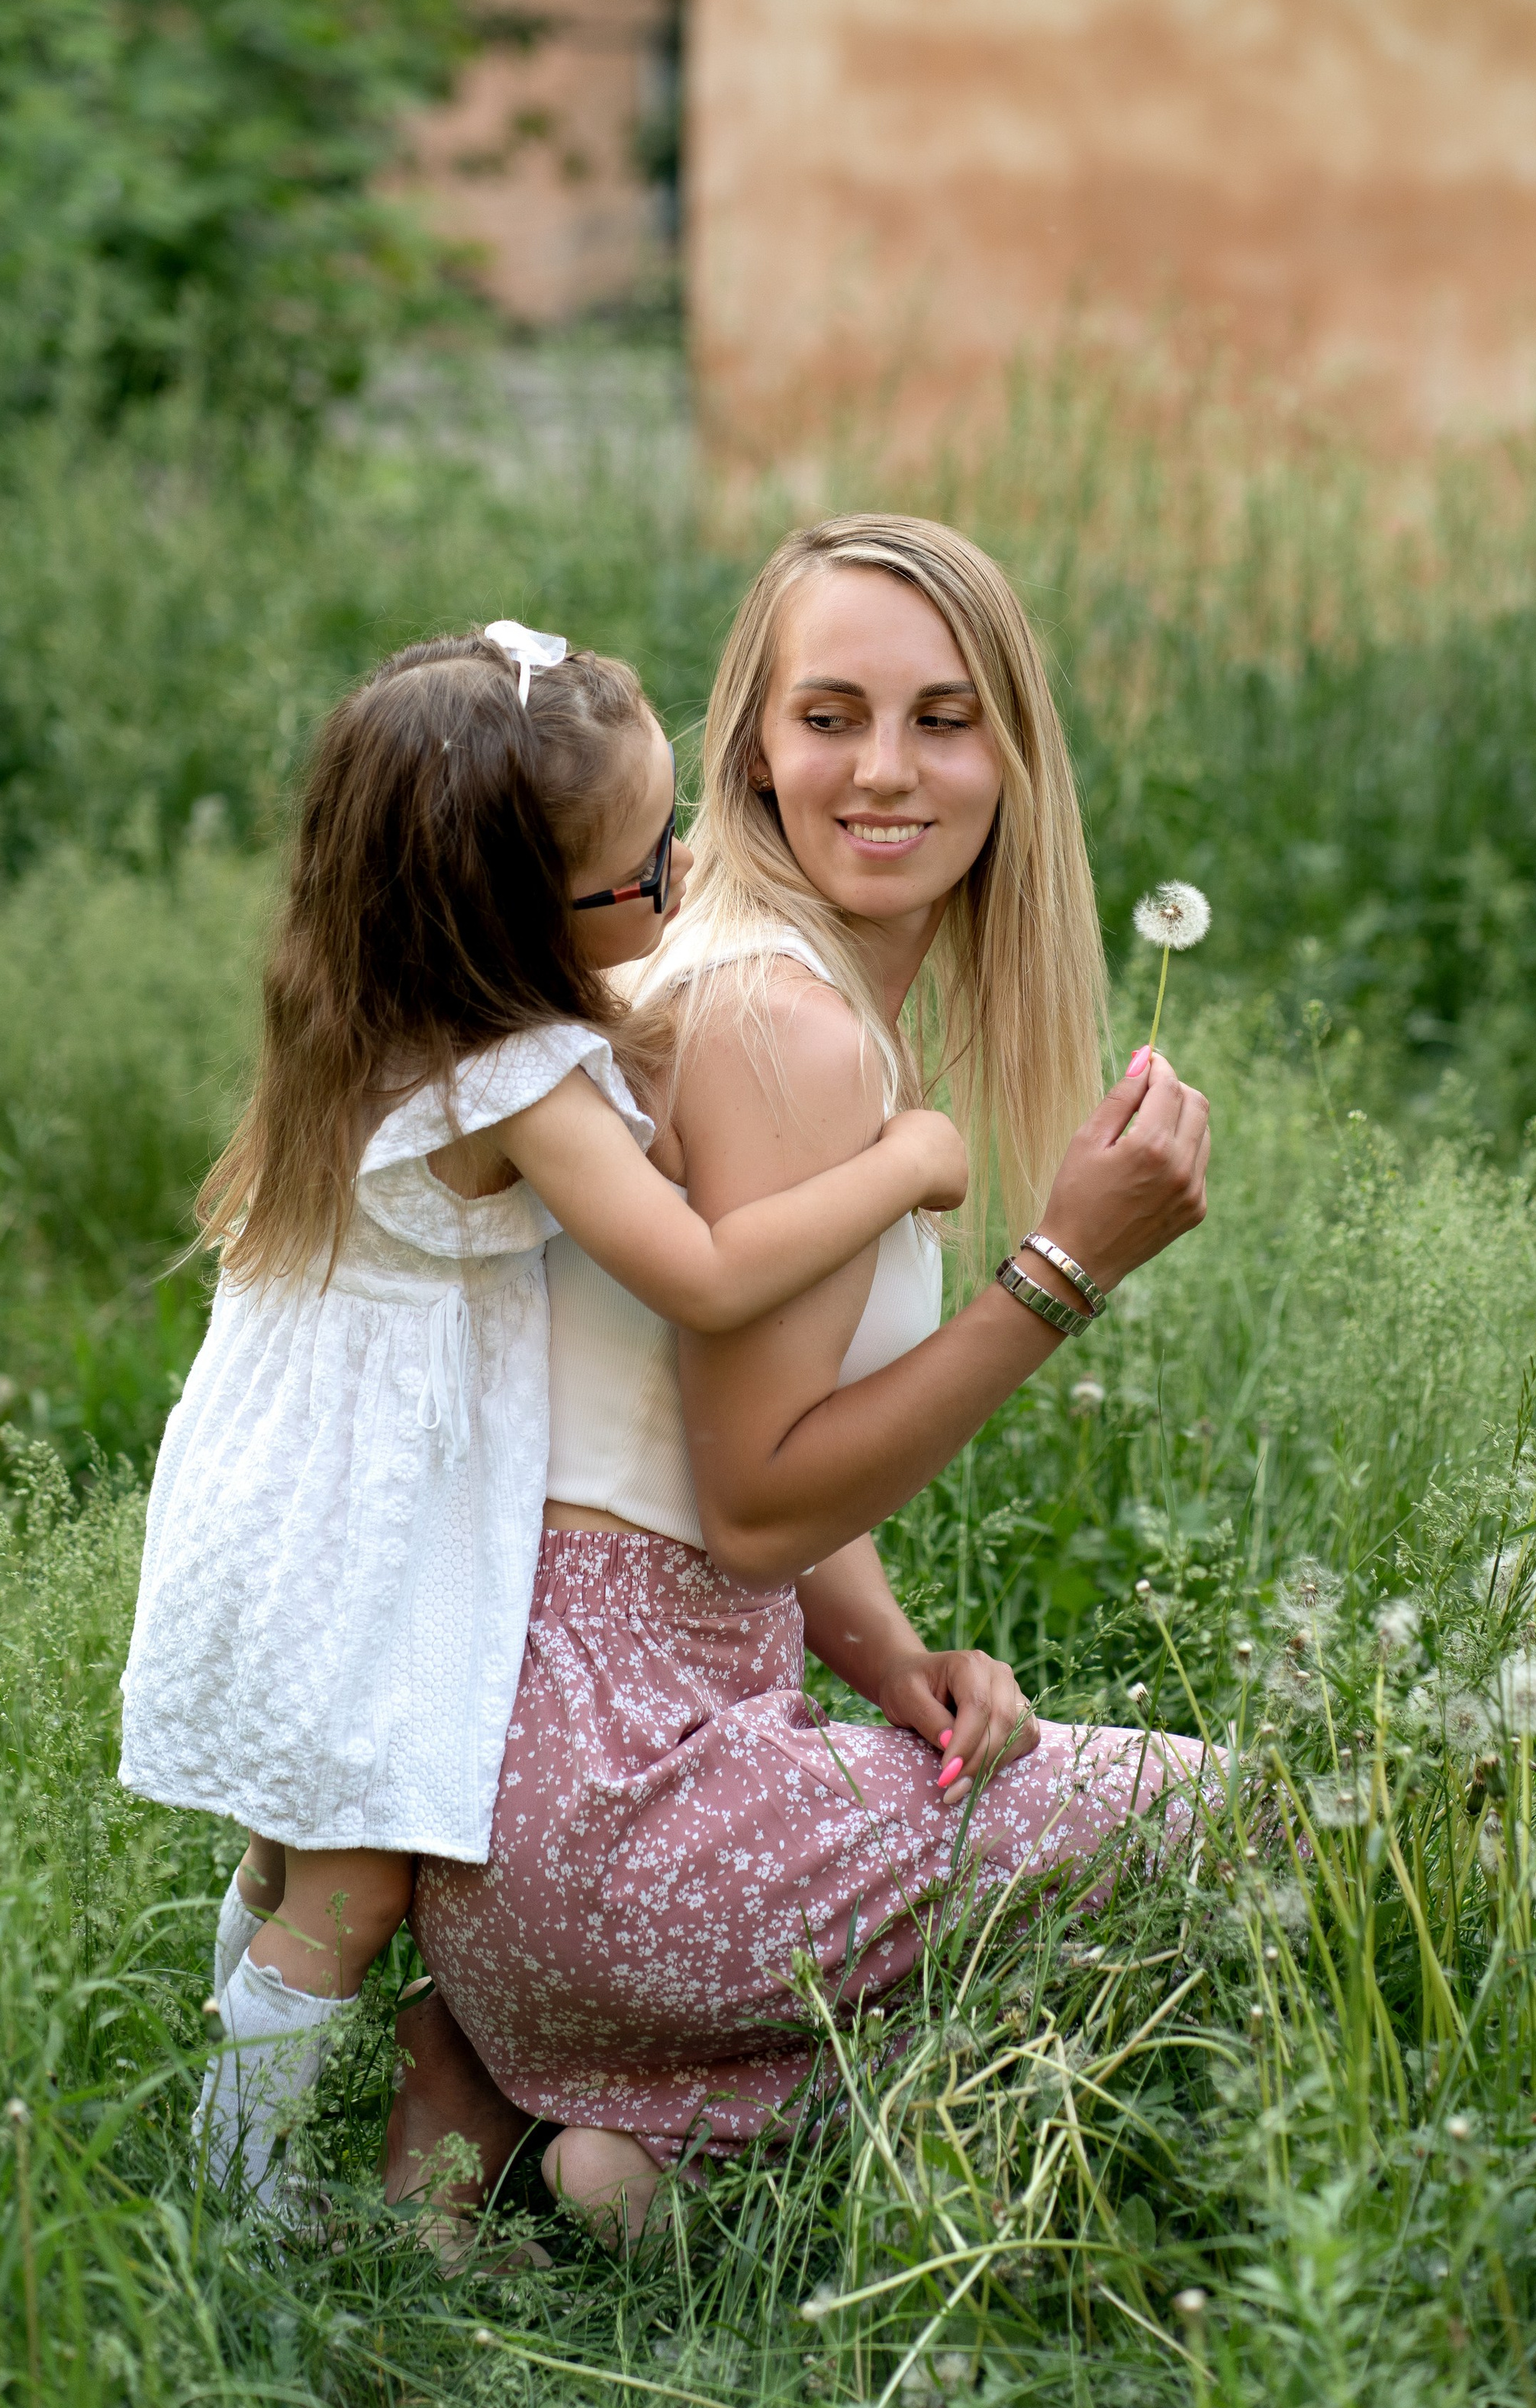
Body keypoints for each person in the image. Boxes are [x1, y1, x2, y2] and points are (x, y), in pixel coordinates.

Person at [392, 517, 1213, 2245]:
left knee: (1037, 1815)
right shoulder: (783, 1023)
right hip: (623, 1819)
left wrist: (891, 1660)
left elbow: (707, 1442)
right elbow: (758, 1504)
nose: (886, 770)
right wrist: (1061, 1270)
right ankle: (703, 2128)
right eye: (829, 717)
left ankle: (637, 2151)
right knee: (1234, 1827)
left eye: (942, 718)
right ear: (753, 750)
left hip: (523, 1826)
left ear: (1012, 751)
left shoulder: (734, 978)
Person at [118, 625, 969, 2209]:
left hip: (278, 1501)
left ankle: (221, 2103)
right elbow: (703, 1273)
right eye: (644, 863)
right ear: (512, 918)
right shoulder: (510, 1082)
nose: (685, 869)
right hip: (370, 1542)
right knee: (353, 1889)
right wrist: (905, 1161)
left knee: (289, 1854)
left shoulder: (376, 1016)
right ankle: (239, 2209)